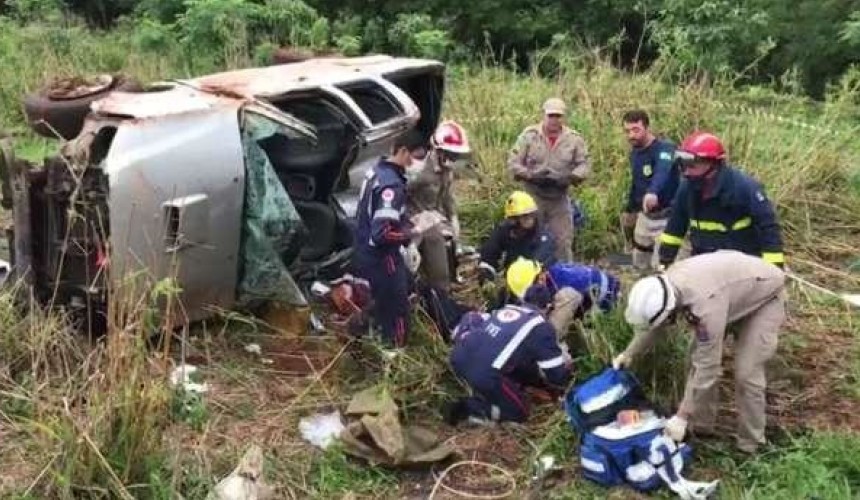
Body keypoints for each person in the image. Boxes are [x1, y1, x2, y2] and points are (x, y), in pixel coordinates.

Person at [613, 250, 786, 454]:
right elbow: (654, 326)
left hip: (764, 297)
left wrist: (681, 416)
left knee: (746, 373)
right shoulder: (667, 285)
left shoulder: (705, 309)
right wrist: (629, 354)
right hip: (730, 293)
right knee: (691, 358)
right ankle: (701, 427)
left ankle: (751, 444)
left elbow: (708, 367)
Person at [352, 131, 435, 348]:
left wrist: (407, 223)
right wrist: (413, 232)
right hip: (382, 258)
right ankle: (395, 353)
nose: (417, 162)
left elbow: (381, 216)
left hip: (365, 251)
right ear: (402, 151)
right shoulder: (392, 186)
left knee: (392, 294)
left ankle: (360, 330)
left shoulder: (377, 171)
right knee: (398, 310)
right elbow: (382, 233)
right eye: (416, 156)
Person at [445, 284, 573, 425]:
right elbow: (555, 374)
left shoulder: (505, 309)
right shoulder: (540, 327)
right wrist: (567, 379)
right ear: (548, 307)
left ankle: (491, 392)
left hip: (458, 357)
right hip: (483, 374)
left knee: (518, 366)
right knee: (519, 412)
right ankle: (469, 409)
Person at [658, 131, 785, 269]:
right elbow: (675, 228)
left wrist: (773, 270)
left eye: (692, 165)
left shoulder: (744, 188)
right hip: (703, 262)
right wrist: (665, 262)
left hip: (743, 265)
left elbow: (769, 229)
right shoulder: (686, 189)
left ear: (714, 165)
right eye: (683, 165)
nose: (686, 172)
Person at [507, 97, 590, 261]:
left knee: (563, 241)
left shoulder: (574, 139)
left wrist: (571, 178)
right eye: (550, 115)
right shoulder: (529, 136)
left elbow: (585, 164)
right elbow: (512, 162)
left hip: (559, 198)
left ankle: (563, 275)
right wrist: (531, 175)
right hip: (533, 197)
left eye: (558, 116)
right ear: (543, 115)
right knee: (528, 238)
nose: (554, 120)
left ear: (563, 117)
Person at [406, 121, 472, 291]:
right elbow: (399, 193)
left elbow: (447, 196)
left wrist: (453, 217)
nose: (453, 159)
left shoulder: (447, 171)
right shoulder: (418, 170)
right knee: (435, 240)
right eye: (450, 154)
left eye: (456, 155)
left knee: (451, 238)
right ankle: (440, 290)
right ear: (438, 150)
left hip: (434, 215)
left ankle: (451, 278)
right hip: (415, 218)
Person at [505, 257, 621, 343]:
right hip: (593, 291)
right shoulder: (550, 275)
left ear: (540, 279)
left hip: (608, 302)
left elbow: (554, 333)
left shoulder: (564, 291)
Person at [620, 110, 680, 270]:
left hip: (667, 217)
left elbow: (663, 171)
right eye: (627, 131)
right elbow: (637, 181)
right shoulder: (635, 153)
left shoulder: (665, 149)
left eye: (636, 130)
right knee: (639, 262)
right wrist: (630, 208)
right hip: (645, 217)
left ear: (646, 127)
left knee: (660, 267)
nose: (631, 135)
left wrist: (653, 191)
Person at [477, 190, 556, 286]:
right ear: (513, 219)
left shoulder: (543, 237)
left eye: (530, 214)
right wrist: (487, 271)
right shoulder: (505, 231)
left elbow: (537, 263)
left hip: (536, 282)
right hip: (512, 278)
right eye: (523, 216)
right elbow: (489, 251)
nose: (528, 219)